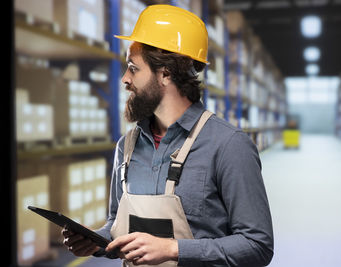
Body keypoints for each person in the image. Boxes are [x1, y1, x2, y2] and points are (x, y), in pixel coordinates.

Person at [62, 4, 274, 267]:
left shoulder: (228, 145)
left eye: (133, 68)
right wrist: (97, 241)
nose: (125, 79)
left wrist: (175, 249)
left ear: (165, 73)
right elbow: (117, 224)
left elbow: (258, 245)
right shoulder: (126, 147)